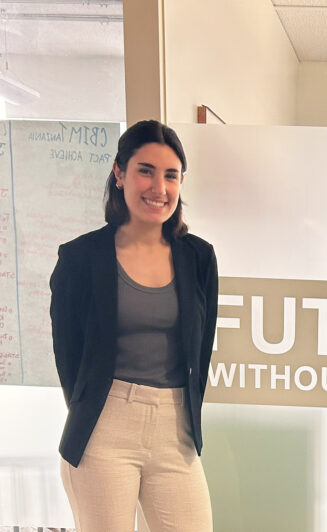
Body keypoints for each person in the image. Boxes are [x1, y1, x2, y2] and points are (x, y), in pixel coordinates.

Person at [50, 120, 218, 531]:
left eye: (171, 175)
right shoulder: (80, 257)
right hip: (104, 428)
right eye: (146, 170)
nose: (159, 187)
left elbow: (201, 348)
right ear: (120, 173)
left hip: (176, 430)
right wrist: (93, 407)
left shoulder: (198, 257)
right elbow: (68, 354)